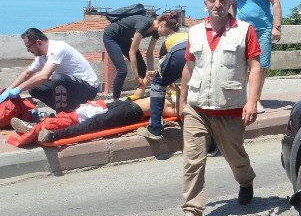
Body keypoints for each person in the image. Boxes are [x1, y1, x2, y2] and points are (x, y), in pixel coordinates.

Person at [174, 0, 262, 216]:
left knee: (235, 156)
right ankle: (193, 212)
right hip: (197, 107)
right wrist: (182, 101)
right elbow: (189, 68)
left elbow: (254, 67)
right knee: (193, 160)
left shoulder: (245, 30)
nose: (217, 4)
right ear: (205, 3)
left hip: (229, 106)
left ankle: (246, 181)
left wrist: (252, 101)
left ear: (230, 3)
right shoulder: (194, 32)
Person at [228, 0, 281, 113]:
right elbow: (233, 4)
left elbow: (276, 3)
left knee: (260, 65)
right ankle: (241, 98)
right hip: (242, 29)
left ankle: (256, 99)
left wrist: (276, 27)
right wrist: (229, 24)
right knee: (240, 64)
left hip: (262, 29)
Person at [0, 29, 100, 113]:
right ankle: (69, 111)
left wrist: (19, 89)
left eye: (28, 47)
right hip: (72, 88)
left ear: (38, 42)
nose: (28, 51)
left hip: (88, 88)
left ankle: (63, 115)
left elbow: (44, 76)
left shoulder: (57, 48)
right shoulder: (41, 56)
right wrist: (9, 89)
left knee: (58, 78)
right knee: (34, 89)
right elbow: (27, 73)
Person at [10, 96, 177, 146]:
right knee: (82, 115)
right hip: (125, 105)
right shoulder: (164, 94)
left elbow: (177, 112)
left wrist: (177, 99)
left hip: (132, 111)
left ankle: (53, 135)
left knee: (93, 123)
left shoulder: (170, 105)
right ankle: (36, 127)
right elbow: (141, 90)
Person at [136, 11, 188, 141]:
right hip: (196, 51)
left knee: (158, 84)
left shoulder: (168, 42)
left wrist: (161, 78)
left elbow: (163, 68)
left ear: (164, 25)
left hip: (179, 51)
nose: (158, 30)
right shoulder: (187, 34)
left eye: (159, 27)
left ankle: (154, 128)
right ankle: (210, 141)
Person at [103, 9, 159, 100]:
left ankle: (138, 95)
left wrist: (151, 73)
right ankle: (115, 100)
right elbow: (132, 52)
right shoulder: (144, 25)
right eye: (167, 32)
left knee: (142, 67)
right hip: (111, 37)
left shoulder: (157, 31)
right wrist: (136, 77)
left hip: (125, 39)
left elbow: (149, 53)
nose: (165, 34)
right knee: (122, 70)